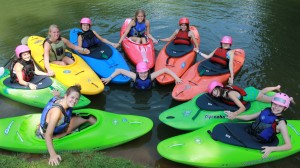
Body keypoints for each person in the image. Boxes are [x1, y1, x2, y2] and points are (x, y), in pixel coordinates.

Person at [37, 85, 96, 166]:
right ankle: (101, 132)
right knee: (86, 119)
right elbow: (48, 135)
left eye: (77, 99)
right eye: (72, 97)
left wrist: (57, 95)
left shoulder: (60, 99)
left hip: (56, 126)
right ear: (66, 96)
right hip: (49, 134)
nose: (74, 101)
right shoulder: (56, 112)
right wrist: (53, 155)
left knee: (87, 117)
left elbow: (58, 97)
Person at [225, 92, 293, 158]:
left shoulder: (281, 123)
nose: (276, 107)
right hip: (251, 131)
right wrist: (235, 116)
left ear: (285, 108)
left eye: (280, 106)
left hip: (260, 141)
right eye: (275, 104)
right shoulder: (265, 110)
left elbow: (288, 146)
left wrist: (271, 149)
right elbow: (249, 117)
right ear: (272, 103)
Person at [208, 81, 295, 119]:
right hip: (249, 90)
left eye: (215, 90)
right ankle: (276, 87)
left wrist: (234, 114)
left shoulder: (230, 94)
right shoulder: (225, 90)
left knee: (271, 99)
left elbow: (242, 108)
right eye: (213, 93)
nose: (214, 94)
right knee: (262, 91)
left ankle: (289, 99)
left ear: (219, 87)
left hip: (254, 95)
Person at [101, 61, 182, 90]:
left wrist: (176, 78)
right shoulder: (134, 76)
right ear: (138, 72)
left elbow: (165, 70)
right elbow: (119, 70)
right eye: (141, 73)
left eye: (145, 72)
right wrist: (109, 78)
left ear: (148, 71)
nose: (143, 75)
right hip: (136, 91)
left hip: (149, 90)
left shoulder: (151, 76)